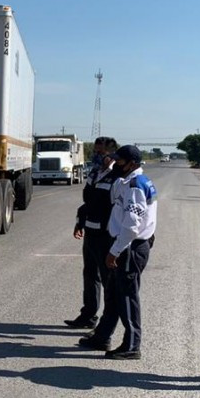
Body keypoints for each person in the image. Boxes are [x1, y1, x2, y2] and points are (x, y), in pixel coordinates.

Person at [82, 144, 156, 359]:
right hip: (127, 243)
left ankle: (132, 345)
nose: (115, 164)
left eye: (119, 161)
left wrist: (114, 250)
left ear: (131, 163)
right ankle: (102, 336)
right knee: (114, 294)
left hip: (129, 246)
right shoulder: (126, 182)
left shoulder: (134, 186)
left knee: (126, 297)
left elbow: (132, 224)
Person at [65, 137, 119, 335]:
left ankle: (107, 324)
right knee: (90, 275)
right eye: (95, 152)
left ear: (112, 154)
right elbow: (87, 202)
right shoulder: (95, 173)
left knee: (108, 280)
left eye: (100, 153)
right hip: (90, 231)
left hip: (106, 235)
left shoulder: (117, 177)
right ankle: (88, 315)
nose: (96, 156)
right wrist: (80, 222)